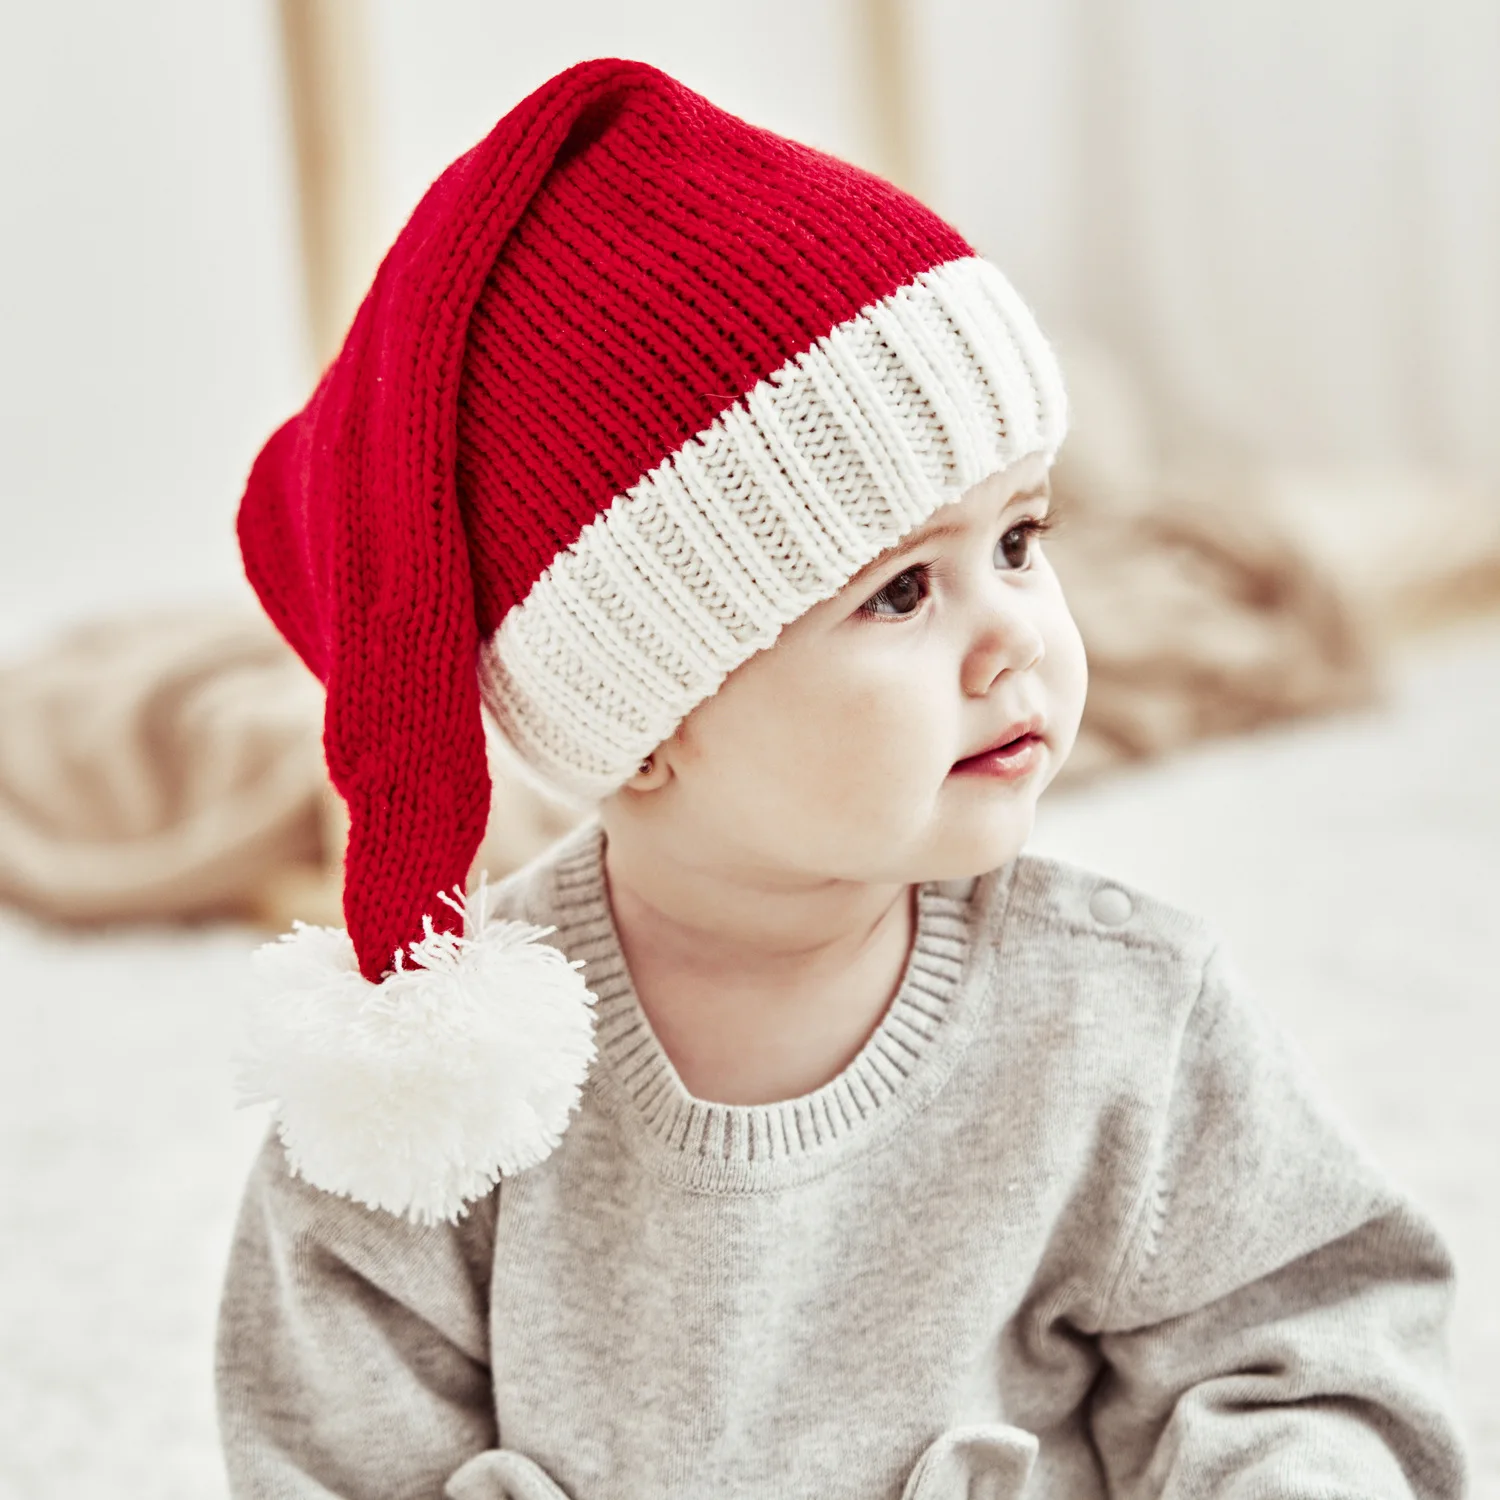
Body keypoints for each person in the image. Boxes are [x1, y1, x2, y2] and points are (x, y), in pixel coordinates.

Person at [216, 57, 1465, 1500]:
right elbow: (327, 1449)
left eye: (1019, 540)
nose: (1018, 639)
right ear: (650, 718)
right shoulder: (441, 1100)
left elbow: (1308, 1342)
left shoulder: (1122, 1016)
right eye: (899, 594)